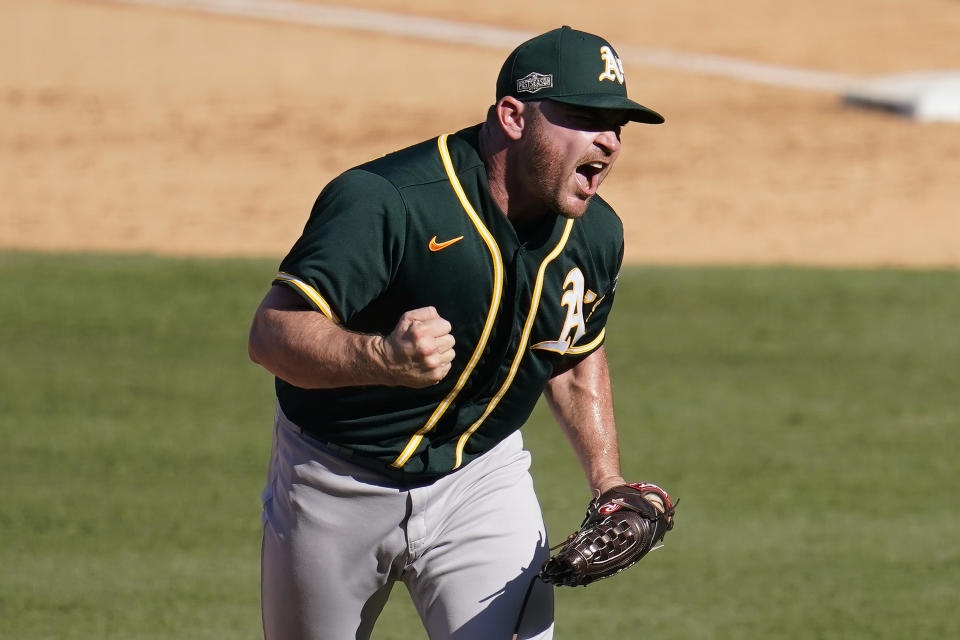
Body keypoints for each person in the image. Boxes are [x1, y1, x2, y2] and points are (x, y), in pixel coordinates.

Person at [248, 25, 667, 640]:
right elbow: (272, 334)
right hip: (334, 481)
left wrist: (608, 480)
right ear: (513, 116)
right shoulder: (388, 200)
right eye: (583, 116)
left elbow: (574, 357)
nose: (607, 139)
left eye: (618, 126)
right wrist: (379, 357)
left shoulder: (596, 235)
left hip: (481, 482)